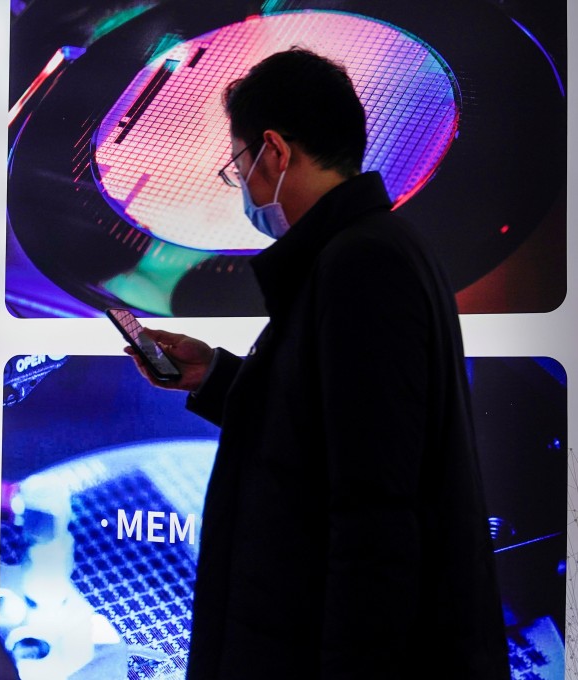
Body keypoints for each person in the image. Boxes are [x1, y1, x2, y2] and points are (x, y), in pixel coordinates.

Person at [127, 49, 510, 679]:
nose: (243, 186)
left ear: (275, 152)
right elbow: (321, 428)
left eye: (238, 164)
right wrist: (218, 376)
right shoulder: (358, 252)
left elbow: (375, 513)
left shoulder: (362, 265)